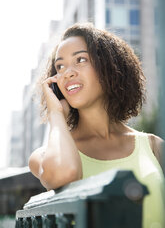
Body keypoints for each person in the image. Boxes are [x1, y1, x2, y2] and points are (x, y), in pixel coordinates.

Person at [29, 22, 165, 227]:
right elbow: (65, 174)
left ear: (109, 67)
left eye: (80, 59)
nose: (67, 73)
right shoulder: (43, 157)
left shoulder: (155, 147)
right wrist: (56, 115)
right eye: (60, 66)